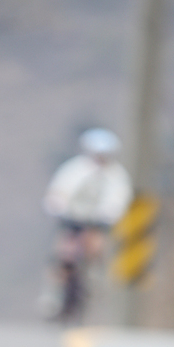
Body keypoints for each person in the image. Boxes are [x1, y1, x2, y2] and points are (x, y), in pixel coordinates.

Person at [42, 128, 132, 323]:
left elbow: (118, 199)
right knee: (65, 253)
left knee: (96, 248)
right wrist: (57, 205)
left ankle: (93, 279)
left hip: (97, 222)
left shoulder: (116, 175)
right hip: (73, 218)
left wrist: (109, 214)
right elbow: (59, 190)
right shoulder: (75, 169)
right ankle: (53, 294)